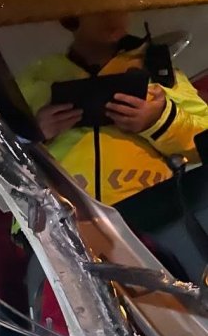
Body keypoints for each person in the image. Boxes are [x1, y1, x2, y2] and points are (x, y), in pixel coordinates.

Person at [17, 12, 208, 206]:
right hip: (57, 218)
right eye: (98, 10)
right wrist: (34, 134)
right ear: (69, 16)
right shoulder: (37, 79)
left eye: (121, 7)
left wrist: (159, 120)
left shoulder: (158, 70)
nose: (113, 18)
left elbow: (204, 142)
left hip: (149, 216)